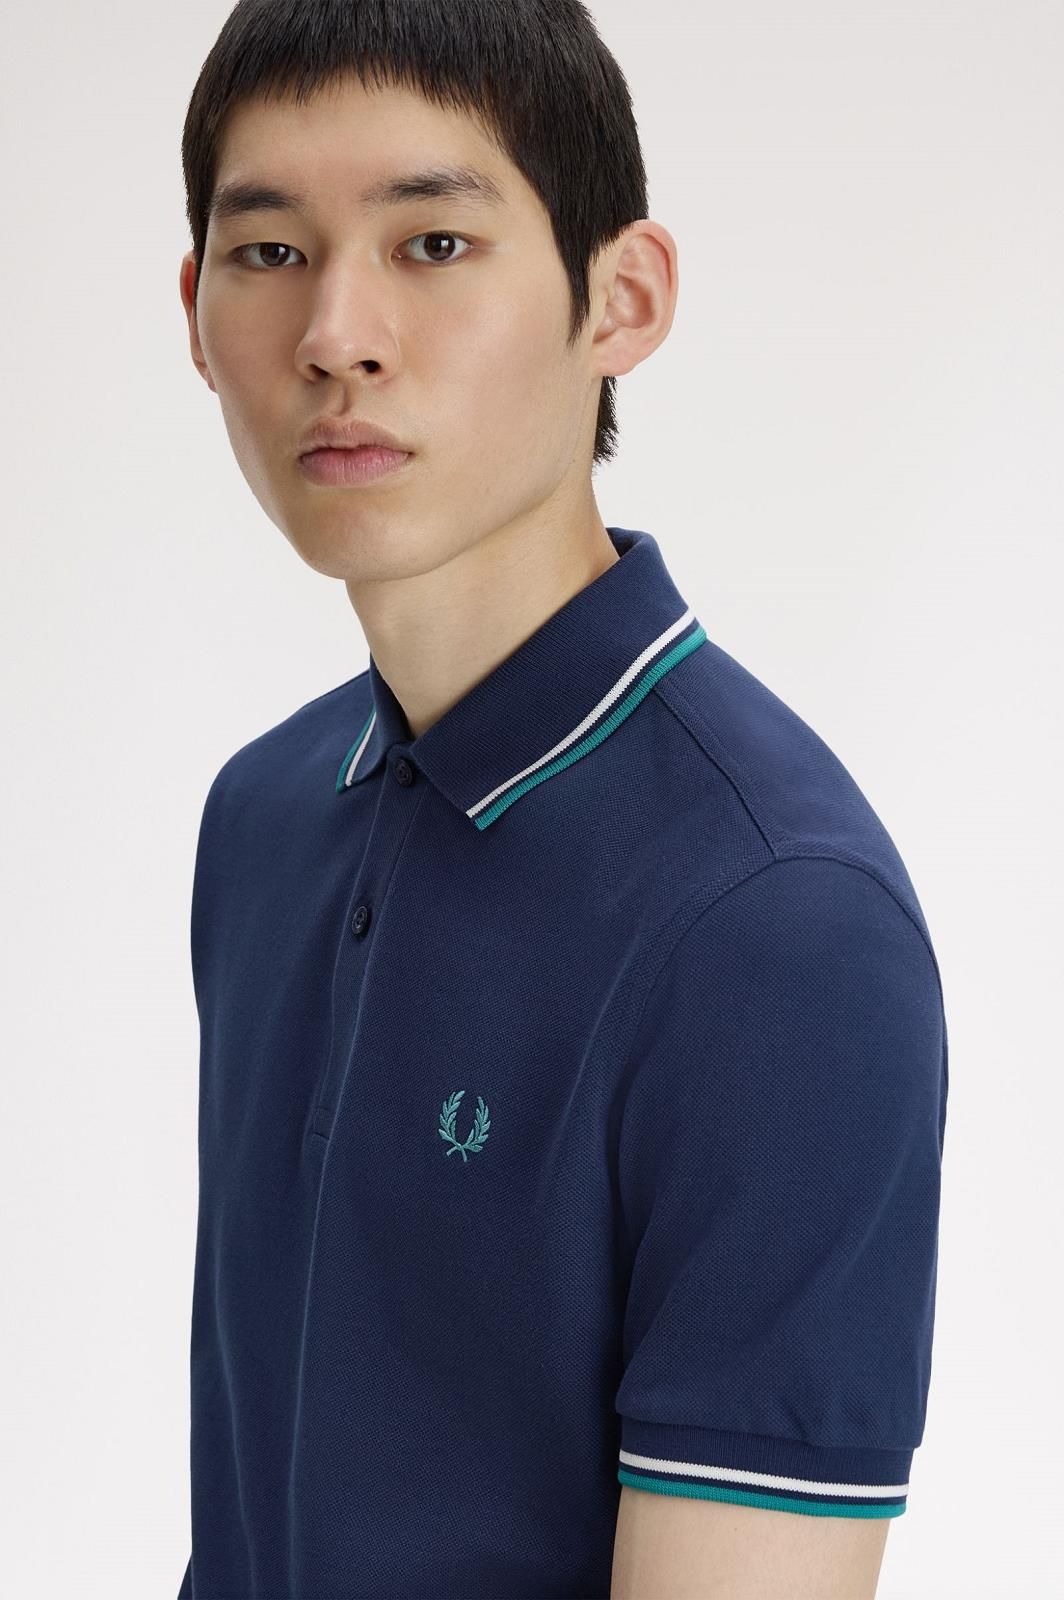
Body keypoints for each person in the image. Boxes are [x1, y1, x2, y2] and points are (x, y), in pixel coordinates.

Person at [175, 3, 948, 1597]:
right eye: (270, 253)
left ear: (623, 298)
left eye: (434, 244)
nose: (335, 334)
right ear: (194, 311)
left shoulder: (777, 925)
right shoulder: (264, 819)